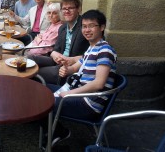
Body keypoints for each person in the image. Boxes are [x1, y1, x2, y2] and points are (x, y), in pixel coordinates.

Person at [43, 9, 117, 147]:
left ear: (102, 28)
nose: (87, 30)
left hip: (88, 104)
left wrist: (68, 94)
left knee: (42, 103)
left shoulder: (105, 51)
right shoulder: (91, 48)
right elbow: (74, 68)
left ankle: (59, 132)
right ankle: (50, 130)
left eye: (91, 26)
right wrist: (66, 68)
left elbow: (98, 84)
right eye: (84, 26)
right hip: (78, 93)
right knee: (39, 91)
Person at [28, 0, 90, 84]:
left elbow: (93, 53)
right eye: (64, 8)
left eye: (71, 8)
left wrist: (72, 59)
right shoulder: (63, 27)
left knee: (34, 71)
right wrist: (55, 55)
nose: (67, 11)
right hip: (58, 61)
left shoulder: (84, 27)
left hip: (70, 67)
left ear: (78, 9)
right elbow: (55, 50)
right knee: (29, 59)